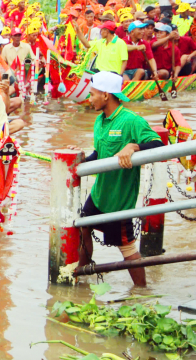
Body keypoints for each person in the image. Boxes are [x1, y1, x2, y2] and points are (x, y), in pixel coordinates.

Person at [68, 71, 163, 286]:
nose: (89, 99)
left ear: (105, 95)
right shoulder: (99, 122)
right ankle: (80, 279)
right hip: (100, 194)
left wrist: (134, 146)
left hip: (119, 200)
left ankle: (141, 292)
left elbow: (158, 144)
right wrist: (81, 156)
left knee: (128, 249)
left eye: (92, 95)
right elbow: (99, 156)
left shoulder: (131, 121)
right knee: (82, 227)